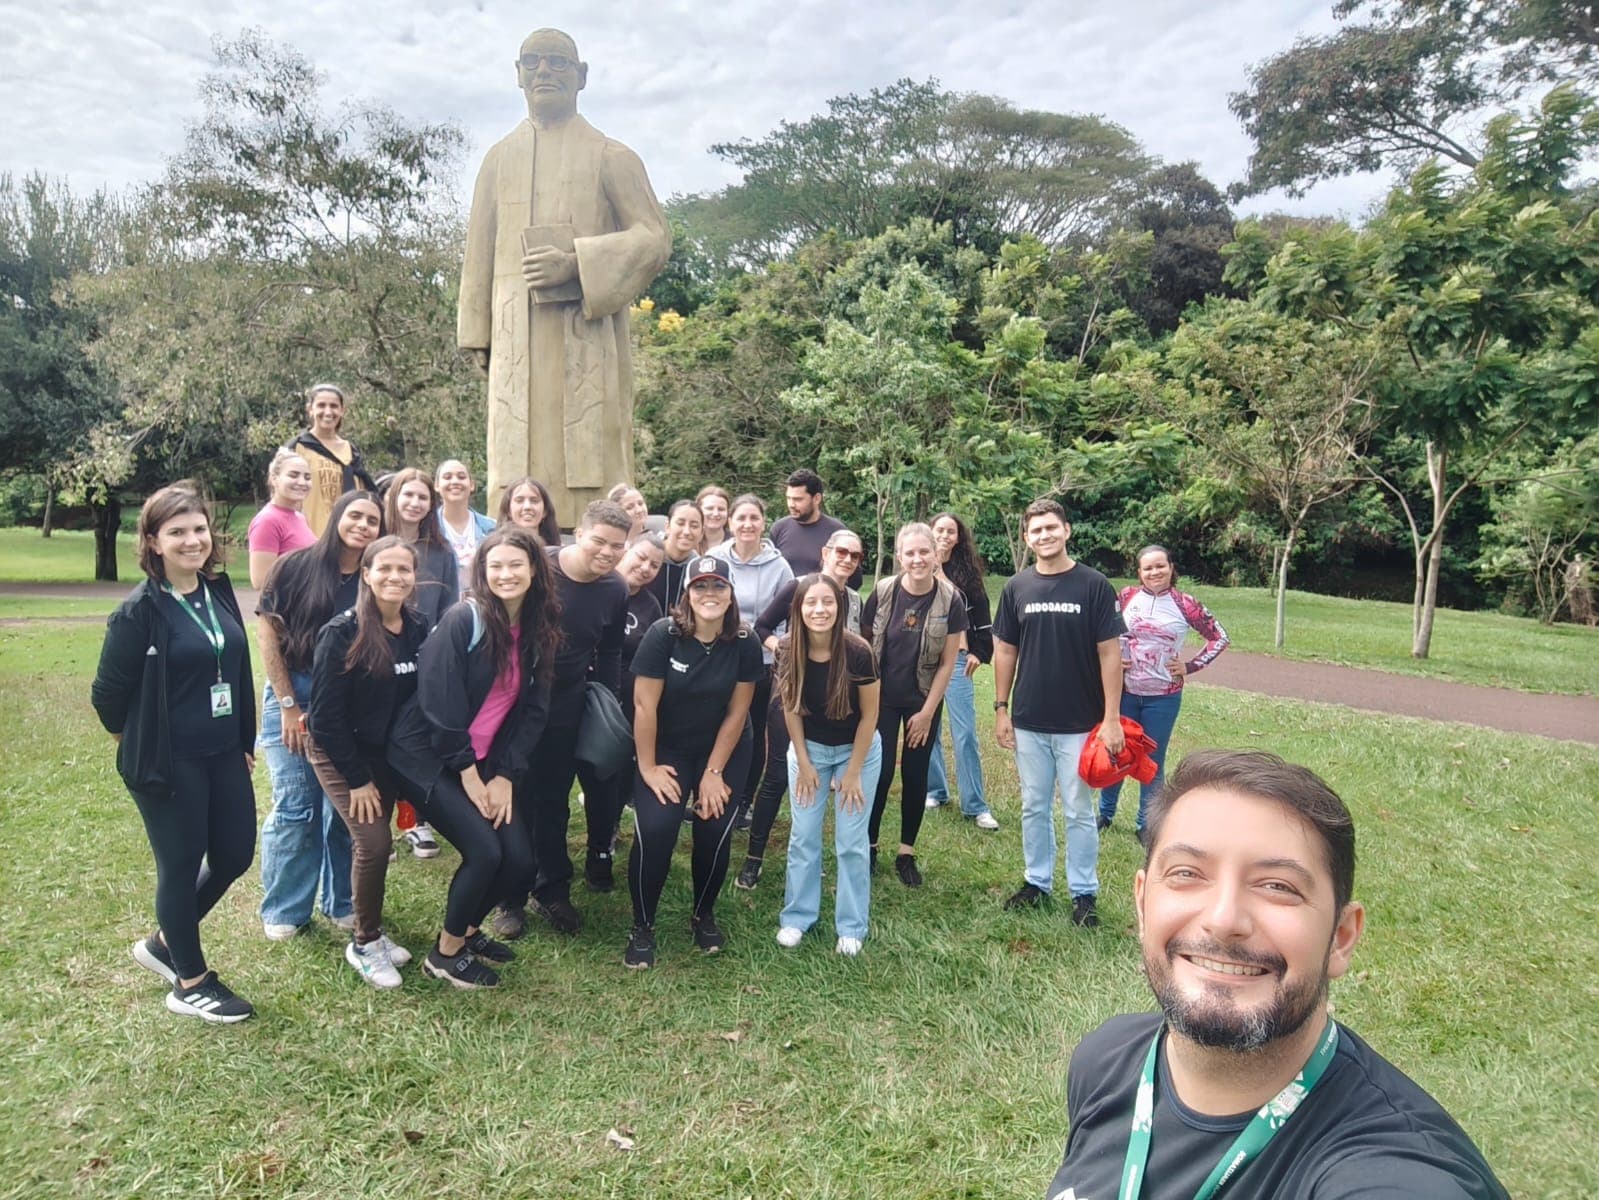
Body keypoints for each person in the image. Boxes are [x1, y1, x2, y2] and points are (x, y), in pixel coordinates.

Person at [1044, 750, 1508, 1200]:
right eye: (1187, 873)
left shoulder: (1399, 1171)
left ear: (1341, 937)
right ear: (1143, 903)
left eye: (1277, 887)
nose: (1224, 919)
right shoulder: (1105, 1061)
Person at [457, 26, 671, 519]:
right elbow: (479, 252)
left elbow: (653, 237)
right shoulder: (497, 160)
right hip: (515, 339)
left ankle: (596, 536)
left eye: (557, 61)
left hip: (587, 333)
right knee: (512, 466)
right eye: (532, 62)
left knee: (593, 458)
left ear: (582, 76)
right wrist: (477, 334)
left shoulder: (612, 156)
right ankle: (515, 536)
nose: (544, 71)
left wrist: (576, 261)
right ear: (517, 75)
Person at [92, 484, 258, 1022]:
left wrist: (243, 740)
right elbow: (107, 696)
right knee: (181, 865)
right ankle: (189, 980)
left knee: (234, 854)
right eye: (177, 532)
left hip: (224, 753)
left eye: (199, 529)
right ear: (153, 542)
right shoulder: (139, 612)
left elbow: (233, 667)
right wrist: (138, 744)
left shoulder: (218, 590)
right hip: (169, 763)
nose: (193, 540)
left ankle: (166, 941)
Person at [492, 500, 629, 938]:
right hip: (514, 698)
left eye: (618, 546)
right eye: (600, 542)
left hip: (568, 700)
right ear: (578, 533)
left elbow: (608, 650)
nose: (607, 553)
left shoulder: (615, 589)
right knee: (512, 796)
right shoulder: (537, 570)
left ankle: (551, 889)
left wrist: (606, 700)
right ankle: (509, 895)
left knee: (552, 798)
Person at [624, 556, 763, 969]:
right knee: (656, 826)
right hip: (666, 747)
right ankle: (642, 925)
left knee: (715, 825)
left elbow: (739, 713)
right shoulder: (663, 635)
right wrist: (647, 768)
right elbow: (644, 706)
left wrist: (714, 773)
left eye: (718, 586)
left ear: (731, 592)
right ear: (687, 592)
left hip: (725, 746)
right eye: (700, 586)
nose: (709, 594)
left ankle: (704, 913)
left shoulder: (744, 640)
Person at [256, 491, 382, 940]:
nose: (363, 525)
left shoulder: (374, 577)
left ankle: (342, 903)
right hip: (295, 694)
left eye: (373, 520)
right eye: (356, 515)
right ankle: (285, 910)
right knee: (296, 806)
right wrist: (289, 705)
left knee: (343, 809)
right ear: (336, 517)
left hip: (347, 704)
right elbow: (268, 635)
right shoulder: (296, 566)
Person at [305, 536, 430, 988]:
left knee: (375, 844)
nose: (395, 577)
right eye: (386, 569)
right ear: (367, 574)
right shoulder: (342, 632)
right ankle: (364, 942)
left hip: (387, 753)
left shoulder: (419, 627)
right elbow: (324, 718)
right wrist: (356, 780)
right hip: (340, 752)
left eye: (404, 570)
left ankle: (368, 928)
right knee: (374, 843)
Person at [993, 499, 1124, 928]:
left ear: (1067, 530)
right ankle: (1037, 881)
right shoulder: (1017, 588)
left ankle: (1083, 892)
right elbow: (1006, 651)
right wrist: (1001, 708)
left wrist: (1110, 718)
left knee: (1077, 809)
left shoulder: (1094, 585)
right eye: (1036, 530)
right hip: (1029, 719)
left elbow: (1109, 653)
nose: (1045, 535)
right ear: (1027, 538)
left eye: (1052, 527)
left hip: (1080, 723)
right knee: (1033, 806)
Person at [736, 527, 866, 890]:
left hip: (833, 703)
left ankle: (809, 855)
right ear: (826, 552)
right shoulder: (800, 587)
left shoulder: (854, 600)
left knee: (817, 780)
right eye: (841, 552)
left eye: (854, 556)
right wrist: (784, 649)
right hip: (792, 696)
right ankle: (754, 859)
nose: (846, 560)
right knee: (778, 775)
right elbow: (762, 626)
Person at [773, 574, 881, 956]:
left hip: (858, 750)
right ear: (799, 609)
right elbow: (790, 708)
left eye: (828, 602)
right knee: (803, 837)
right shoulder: (787, 650)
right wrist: (803, 762)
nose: (819, 610)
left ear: (841, 606)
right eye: (810, 603)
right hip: (809, 750)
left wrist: (852, 772)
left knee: (852, 841)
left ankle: (851, 925)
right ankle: (797, 917)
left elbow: (870, 717)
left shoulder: (858, 651)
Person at [861, 522, 968, 887]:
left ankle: (906, 853)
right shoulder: (883, 591)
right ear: (900, 557)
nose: (918, 559)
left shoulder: (950, 600)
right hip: (882, 699)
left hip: (923, 699)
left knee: (915, 774)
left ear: (936, 555)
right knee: (879, 773)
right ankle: (869, 846)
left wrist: (926, 713)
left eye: (925, 552)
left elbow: (947, 664)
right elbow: (864, 646)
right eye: (910, 553)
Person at [1099, 544, 1230, 838]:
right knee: (1117, 752)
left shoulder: (1186, 604)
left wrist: (1190, 666)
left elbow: (1220, 638)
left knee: (1152, 761)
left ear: (1171, 567)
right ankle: (1105, 814)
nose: (1154, 572)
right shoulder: (1126, 597)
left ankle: (1147, 823)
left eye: (1160, 566)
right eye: (1148, 568)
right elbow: (1104, 633)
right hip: (1125, 691)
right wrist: (1111, 659)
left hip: (1164, 696)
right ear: (1139, 573)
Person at [709, 494, 794, 831]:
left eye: (754, 518)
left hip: (760, 661)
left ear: (763, 522)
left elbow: (787, 618)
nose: (747, 525)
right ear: (730, 522)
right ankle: (709, 788)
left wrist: (779, 655)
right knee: (715, 725)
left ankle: (743, 800)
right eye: (741, 518)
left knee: (754, 732)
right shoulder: (714, 558)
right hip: (716, 658)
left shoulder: (779, 566)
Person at [926, 512, 998, 830]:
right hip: (923, 660)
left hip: (957, 660)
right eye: (938, 529)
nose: (944, 535)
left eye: (950, 531)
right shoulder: (916, 565)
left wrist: (981, 653)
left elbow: (981, 617)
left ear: (958, 538)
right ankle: (936, 791)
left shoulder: (966, 574)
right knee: (926, 729)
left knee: (965, 732)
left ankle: (975, 805)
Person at [284, 382, 377, 536]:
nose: (328, 412)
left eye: (334, 406)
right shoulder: (297, 448)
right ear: (310, 410)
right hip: (309, 537)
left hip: (347, 539)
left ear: (342, 410)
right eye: (321, 405)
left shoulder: (351, 451)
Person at [383, 467, 461, 628]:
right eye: (408, 495)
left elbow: (448, 612)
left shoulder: (442, 552)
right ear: (394, 497)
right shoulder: (373, 545)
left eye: (423, 497)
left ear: (431, 504)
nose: (415, 503)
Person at [770, 468, 855, 582]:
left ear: (816, 499)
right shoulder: (779, 529)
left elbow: (854, 579)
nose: (791, 504)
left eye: (798, 499)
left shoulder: (837, 533)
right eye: (788, 498)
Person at [247, 449, 316, 588]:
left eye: (307, 477)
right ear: (274, 478)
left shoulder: (300, 518)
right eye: (293, 475)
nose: (302, 482)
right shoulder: (267, 521)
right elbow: (260, 581)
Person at [436, 459, 495, 583]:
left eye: (461, 477)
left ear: (472, 485)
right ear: (436, 486)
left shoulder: (492, 528)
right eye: (447, 477)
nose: (455, 481)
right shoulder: (428, 528)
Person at [645, 499, 704, 612]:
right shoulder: (647, 558)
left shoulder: (699, 569)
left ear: (702, 533)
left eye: (694, 526)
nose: (687, 531)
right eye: (680, 523)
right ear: (667, 526)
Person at [497, 475, 563, 547]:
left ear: (545, 511)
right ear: (508, 510)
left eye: (534, 501)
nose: (527, 507)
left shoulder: (561, 554)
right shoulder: (495, 552)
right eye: (519, 501)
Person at [696, 484, 731, 551]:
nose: (715, 514)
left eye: (721, 509)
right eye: (710, 508)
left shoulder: (736, 543)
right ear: (698, 510)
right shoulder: (689, 539)